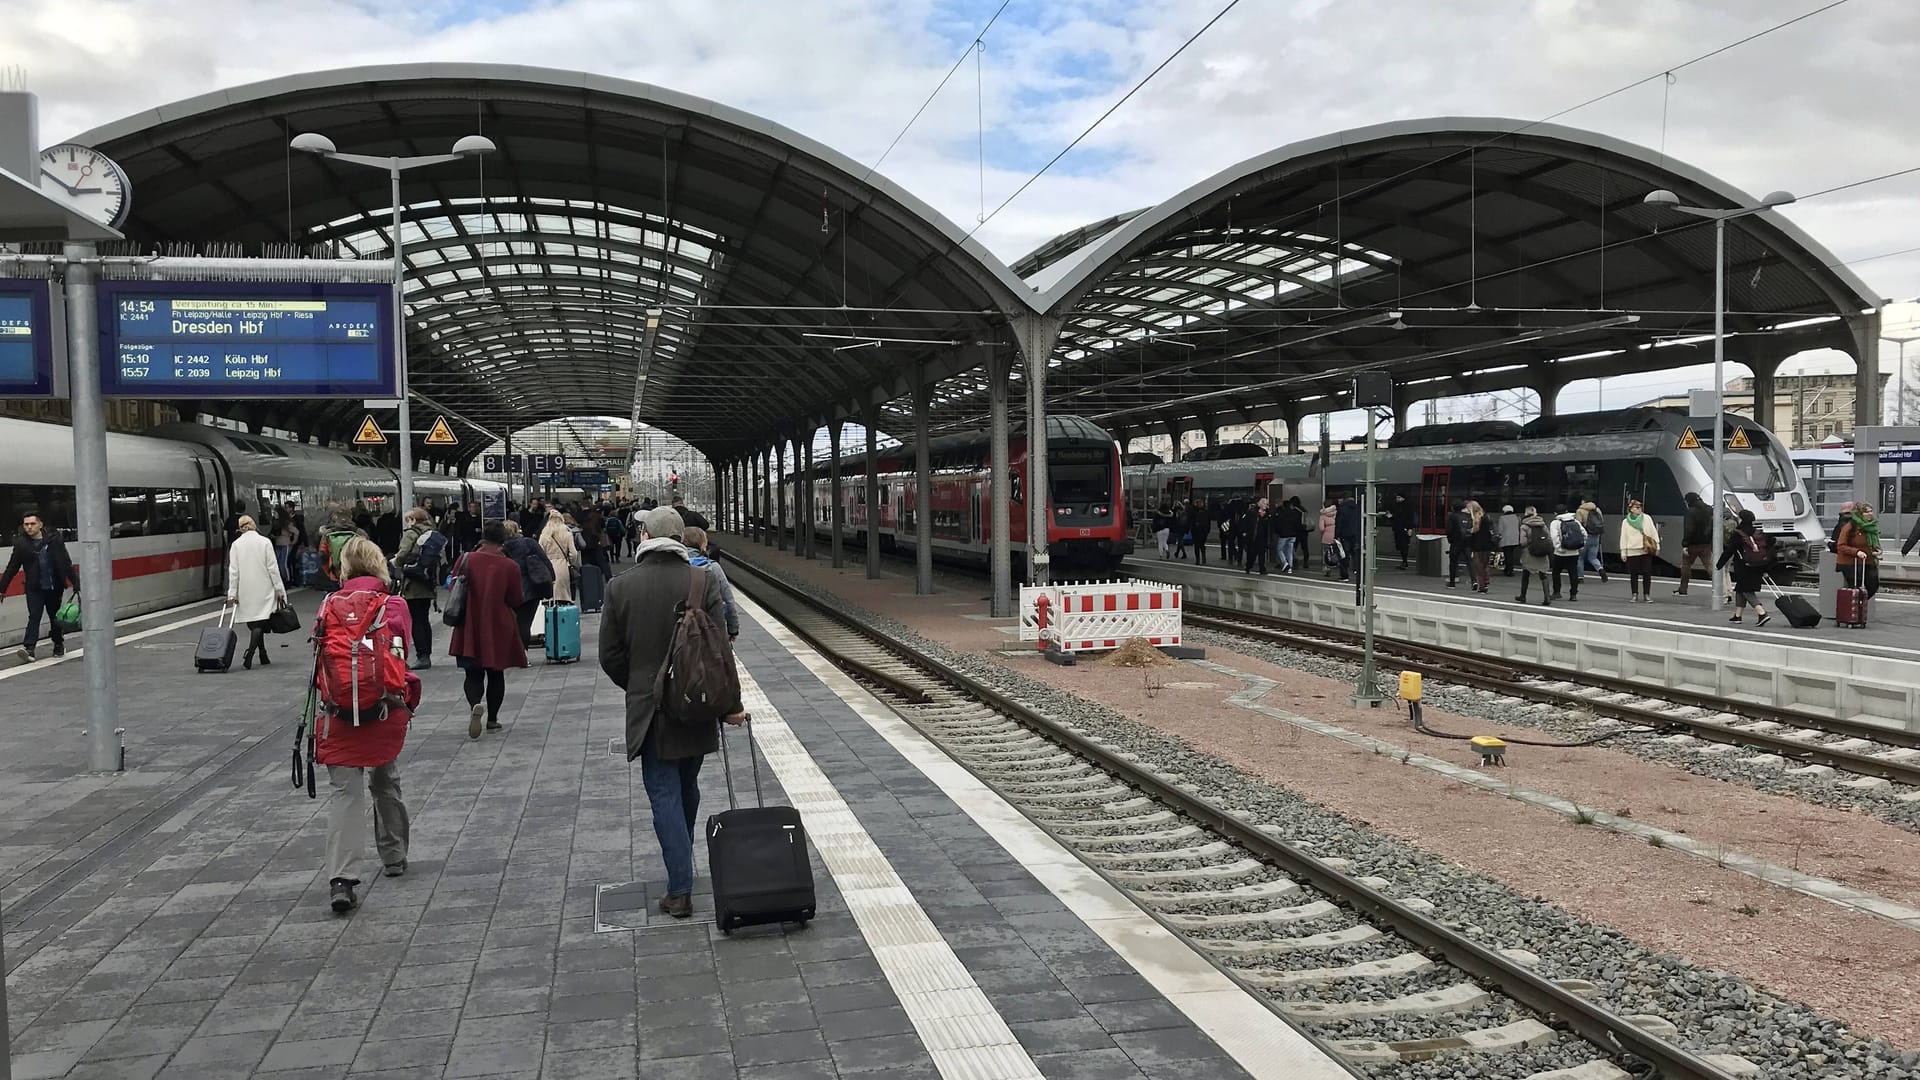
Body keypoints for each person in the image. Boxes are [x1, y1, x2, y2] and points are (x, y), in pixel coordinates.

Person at [599, 506, 747, 920]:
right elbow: (720, 651)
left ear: (645, 534)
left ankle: (680, 887)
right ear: (681, 538)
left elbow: (609, 654)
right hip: (695, 705)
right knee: (686, 784)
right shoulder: (702, 579)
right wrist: (730, 705)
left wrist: (641, 685)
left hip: (650, 709)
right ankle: (683, 857)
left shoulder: (620, 587)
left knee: (662, 792)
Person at [314, 537, 418, 914]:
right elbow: (400, 653)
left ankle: (341, 879)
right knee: (385, 780)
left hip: (337, 711)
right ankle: (394, 856)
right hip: (383, 709)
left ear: (344, 568)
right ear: (378, 565)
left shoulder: (327, 605)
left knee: (345, 793)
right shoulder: (394, 605)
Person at [448, 521, 527, 739]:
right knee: (496, 673)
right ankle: (492, 719)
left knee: (472, 673)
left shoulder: (466, 559)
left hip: (469, 624)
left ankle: (475, 705)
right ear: (504, 539)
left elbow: (452, 586)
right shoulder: (510, 566)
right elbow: (515, 598)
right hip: (497, 624)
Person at [2, 512, 81, 663]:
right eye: (26, 524)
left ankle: (58, 643)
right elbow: (12, 567)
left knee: (55, 618)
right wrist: (2, 589)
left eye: (32, 524)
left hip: (53, 587)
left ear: (40, 524)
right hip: (34, 588)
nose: (29, 527)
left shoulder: (54, 540)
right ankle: (29, 648)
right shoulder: (21, 544)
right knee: (34, 616)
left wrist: (76, 583)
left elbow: (65, 562)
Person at [225, 515, 287, 670]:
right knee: (260, 621)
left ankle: (262, 653)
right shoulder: (265, 542)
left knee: (254, 623)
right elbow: (273, 568)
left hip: (245, 588)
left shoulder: (236, 545)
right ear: (254, 525)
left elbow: (233, 571)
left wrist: (232, 594)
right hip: (264, 587)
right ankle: (251, 653)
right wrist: (279, 589)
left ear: (240, 528)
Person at [393, 508, 442, 670]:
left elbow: (402, 554)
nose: (407, 522)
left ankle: (422, 656)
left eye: (409, 519)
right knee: (424, 618)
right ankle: (426, 654)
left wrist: (395, 562)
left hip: (412, 583)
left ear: (413, 519)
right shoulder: (431, 533)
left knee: (416, 619)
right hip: (427, 582)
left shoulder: (411, 533)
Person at [1717, 510, 1773, 627]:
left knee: (1747, 590)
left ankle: (1762, 613)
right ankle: (1737, 616)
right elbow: (1771, 542)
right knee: (1740, 589)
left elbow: (1730, 550)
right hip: (1758, 565)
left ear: (1741, 519)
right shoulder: (1758, 532)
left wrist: (1719, 564)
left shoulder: (1738, 533)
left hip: (1744, 566)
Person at [685, 527, 740, 640]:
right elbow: (728, 600)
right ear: (702, 545)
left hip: (683, 631)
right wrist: (733, 630)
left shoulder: (676, 566)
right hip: (712, 630)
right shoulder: (713, 567)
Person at [501, 520, 550, 646]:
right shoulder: (528, 543)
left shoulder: (501, 548)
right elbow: (544, 561)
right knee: (525, 622)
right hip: (531, 588)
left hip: (508, 590)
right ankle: (522, 653)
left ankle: (512, 651)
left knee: (510, 622)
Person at [1834, 502, 1882, 598]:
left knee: (1873, 585)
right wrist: (1856, 552)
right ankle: (1855, 608)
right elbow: (1841, 545)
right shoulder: (1850, 526)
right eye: (1866, 512)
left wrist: (1878, 550)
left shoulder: (1871, 526)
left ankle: (1859, 604)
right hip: (1850, 563)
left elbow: (1873, 542)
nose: (1870, 514)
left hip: (1867, 561)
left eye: (1871, 511)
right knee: (1857, 588)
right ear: (1860, 514)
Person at [1620, 497, 1662, 603]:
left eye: (1640, 507)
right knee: (1634, 573)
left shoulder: (1647, 518)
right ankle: (1634, 594)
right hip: (1632, 549)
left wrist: (1657, 546)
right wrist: (1623, 551)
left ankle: (1646, 594)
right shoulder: (1626, 522)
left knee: (1646, 572)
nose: (1639, 509)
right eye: (1636, 507)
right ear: (1631, 509)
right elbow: (1623, 537)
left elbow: (1653, 532)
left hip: (1645, 549)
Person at [318, 509, 367, 592]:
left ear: (335, 518)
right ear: (351, 517)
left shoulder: (328, 534)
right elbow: (367, 553)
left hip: (335, 575)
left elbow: (322, 554)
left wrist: (329, 572)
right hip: (354, 574)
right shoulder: (359, 533)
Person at [541, 508, 580, 604]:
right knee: (563, 595)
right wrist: (571, 562)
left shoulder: (544, 535)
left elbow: (540, 553)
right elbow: (574, 553)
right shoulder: (567, 534)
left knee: (550, 596)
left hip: (548, 567)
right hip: (562, 566)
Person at [1514, 506, 1552, 605]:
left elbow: (1522, 542)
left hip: (1529, 552)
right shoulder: (1542, 524)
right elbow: (1548, 537)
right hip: (1542, 552)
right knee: (1543, 574)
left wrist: (1529, 543)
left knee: (1526, 574)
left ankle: (1523, 596)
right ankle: (1547, 597)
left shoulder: (1524, 526)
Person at [1675, 492, 1712, 595]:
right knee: (1710, 567)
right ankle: (1720, 589)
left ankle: (1683, 589)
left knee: (1685, 566)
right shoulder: (1709, 509)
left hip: (1692, 545)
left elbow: (1689, 529)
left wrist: (1685, 544)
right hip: (1706, 544)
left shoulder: (1690, 512)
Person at [1549, 504, 1584, 602]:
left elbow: (1554, 537)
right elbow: (1584, 533)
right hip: (1574, 552)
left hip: (1560, 553)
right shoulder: (1575, 521)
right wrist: (1581, 546)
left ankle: (1557, 592)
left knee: (1556, 573)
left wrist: (1559, 548)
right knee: (1573, 573)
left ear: (1555, 513)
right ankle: (1573, 595)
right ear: (1567, 511)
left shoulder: (1555, 523)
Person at [1577, 496, 1608, 582]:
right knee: (1593, 557)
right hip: (1596, 537)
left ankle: (1580, 577)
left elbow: (1578, 525)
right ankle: (1600, 569)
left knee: (1580, 558)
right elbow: (1601, 522)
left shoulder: (1580, 511)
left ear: (1583, 501)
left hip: (1585, 537)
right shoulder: (1597, 510)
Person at [1466, 500, 1495, 592]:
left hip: (1477, 546)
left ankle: (1482, 586)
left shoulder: (1475, 520)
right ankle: (1486, 582)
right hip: (1487, 545)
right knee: (1485, 565)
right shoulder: (1487, 517)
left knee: (1479, 567)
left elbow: (1473, 533)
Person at [1445, 499, 1472, 588]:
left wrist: (1450, 540)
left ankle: (1452, 582)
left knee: (1453, 562)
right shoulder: (1467, 516)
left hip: (1456, 542)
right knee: (1469, 562)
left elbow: (1449, 530)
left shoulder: (1452, 516)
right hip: (1467, 542)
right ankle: (1474, 581)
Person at [1334, 495, 1361, 582]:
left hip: (1345, 535)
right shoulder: (1359, 508)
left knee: (1344, 555)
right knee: (1356, 554)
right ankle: (1359, 573)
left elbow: (1339, 523)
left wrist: (1336, 535)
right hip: (1356, 535)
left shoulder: (1342, 508)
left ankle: (1344, 575)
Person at [271, 506, 297, 585]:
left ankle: (287, 580)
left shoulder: (286, 523)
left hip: (285, 545)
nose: (274, 514)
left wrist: (293, 541)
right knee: (278, 563)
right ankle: (282, 578)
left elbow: (296, 532)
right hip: (278, 544)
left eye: (275, 513)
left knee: (283, 563)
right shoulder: (275, 523)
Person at [1390, 494, 1414, 570]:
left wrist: (1410, 528)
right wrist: (1390, 517)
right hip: (1397, 529)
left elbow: (1410, 517)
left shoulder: (1407, 506)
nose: (1397, 499)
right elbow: (1396, 518)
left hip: (1404, 529)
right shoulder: (1396, 506)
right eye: (1397, 497)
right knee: (1400, 545)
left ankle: (1405, 562)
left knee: (1404, 545)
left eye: (1399, 497)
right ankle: (1404, 561)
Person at [1496, 504, 1520, 577]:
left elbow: (1500, 530)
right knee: (1511, 554)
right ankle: (1508, 569)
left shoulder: (1502, 518)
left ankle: (1509, 570)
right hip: (1515, 539)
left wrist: (1498, 537)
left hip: (1506, 539)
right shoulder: (1517, 517)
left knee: (1507, 555)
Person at [1319, 498, 1339, 578]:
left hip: (1327, 536)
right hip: (1336, 535)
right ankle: (1339, 566)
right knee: (1337, 552)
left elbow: (1321, 528)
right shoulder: (1337, 513)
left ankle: (1328, 569)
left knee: (1327, 553)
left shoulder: (1323, 515)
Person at [1189, 501, 1211, 567]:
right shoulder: (1205, 512)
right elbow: (1208, 522)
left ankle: (1198, 559)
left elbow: (1191, 520)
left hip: (1198, 531)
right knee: (1201, 545)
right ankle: (1202, 559)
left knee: (1197, 545)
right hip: (1202, 531)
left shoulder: (1194, 512)